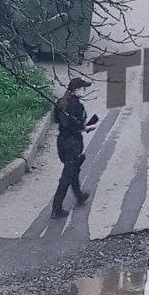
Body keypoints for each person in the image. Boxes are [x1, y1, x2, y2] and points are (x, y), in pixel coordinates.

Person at [51, 77, 96, 220]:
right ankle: (56, 208)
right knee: (67, 175)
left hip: (65, 141)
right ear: (75, 90)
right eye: (82, 89)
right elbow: (69, 124)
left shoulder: (64, 103)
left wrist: (81, 127)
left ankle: (79, 195)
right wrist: (85, 127)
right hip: (70, 143)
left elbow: (61, 121)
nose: (84, 91)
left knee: (74, 169)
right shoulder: (71, 105)